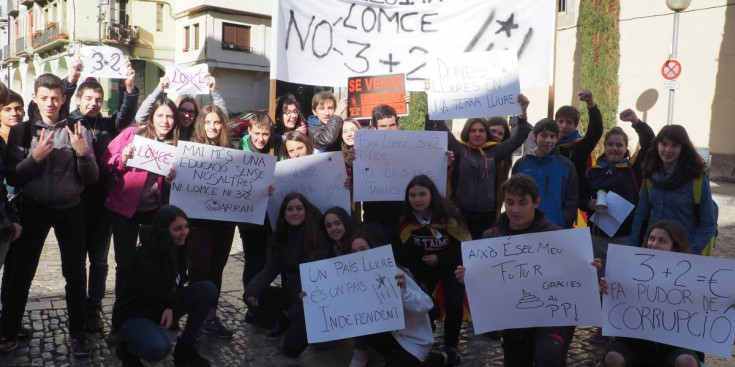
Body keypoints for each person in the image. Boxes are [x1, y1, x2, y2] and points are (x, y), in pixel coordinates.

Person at [0, 74, 98, 356]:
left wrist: (82, 155)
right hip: (34, 207)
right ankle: (8, 329)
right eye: (44, 97)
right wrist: (35, 159)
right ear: (35, 98)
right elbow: (12, 176)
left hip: (70, 209)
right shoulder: (22, 131)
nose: (50, 103)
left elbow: (92, 178)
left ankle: (78, 332)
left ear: (63, 99)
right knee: (22, 272)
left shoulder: (77, 129)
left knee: (76, 273)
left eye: (55, 98)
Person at [455, 174, 583, 367]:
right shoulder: (491, 238)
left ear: (536, 202)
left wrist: (588, 269)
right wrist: (470, 278)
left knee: (548, 356)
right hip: (514, 321)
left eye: (522, 203)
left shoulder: (556, 236)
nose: (515, 209)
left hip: (551, 318)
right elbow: (486, 283)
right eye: (510, 202)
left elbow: (576, 278)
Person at [67, 60, 139, 333]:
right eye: (88, 98)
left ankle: (94, 307)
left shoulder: (108, 125)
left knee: (99, 261)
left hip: (104, 204)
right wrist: (71, 79)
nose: (94, 103)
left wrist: (129, 89)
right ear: (79, 99)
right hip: (76, 204)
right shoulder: (69, 121)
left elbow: (125, 116)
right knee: (77, 262)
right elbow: (60, 107)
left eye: (98, 99)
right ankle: (77, 308)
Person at [112, 205, 217, 367]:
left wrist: (171, 307)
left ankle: (186, 348)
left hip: (161, 306)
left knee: (207, 289)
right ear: (164, 231)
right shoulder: (146, 257)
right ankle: (127, 348)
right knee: (159, 348)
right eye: (178, 229)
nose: (184, 232)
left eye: (186, 227)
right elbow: (160, 291)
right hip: (135, 314)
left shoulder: (179, 247)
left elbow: (177, 284)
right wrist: (171, 306)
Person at [583, 109, 655, 344]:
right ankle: (604, 327)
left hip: (625, 237)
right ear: (605, 145)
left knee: (624, 283)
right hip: (598, 236)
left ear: (626, 147)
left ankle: (624, 329)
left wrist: (636, 122)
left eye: (619, 145)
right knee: (602, 283)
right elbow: (582, 196)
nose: (615, 149)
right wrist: (589, 203)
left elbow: (649, 143)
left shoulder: (633, 168)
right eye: (611, 144)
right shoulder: (593, 171)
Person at [102, 98, 178, 301]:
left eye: (170, 116)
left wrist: (172, 182)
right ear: (152, 117)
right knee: (125, 264)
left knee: (156, 260)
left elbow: (180, 186)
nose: (165, 121)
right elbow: (106, 161)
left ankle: (152, 309)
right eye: (160, 115)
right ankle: (122, 314)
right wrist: (122, 159)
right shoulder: (132, 134)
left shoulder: (178, 145)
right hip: (125, 209)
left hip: (157, 210)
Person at [601, 220, 701, 367]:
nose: (653, 244)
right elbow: (611, 309)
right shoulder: (627, 269)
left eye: (662, 241)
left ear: (674, 247)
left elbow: (706, 305)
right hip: (633, 341)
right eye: (651, 238)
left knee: (687, 362)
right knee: (613, 359)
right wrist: (605, 292)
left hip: (674, 344)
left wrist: (727, 303)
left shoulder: (692, 276)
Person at [349, 231, 457, 367]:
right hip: (392, 334)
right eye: (353, 252)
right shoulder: (356, 280)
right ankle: (391, 355)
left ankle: (444, 357)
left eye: (363, 250)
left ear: (372, 250)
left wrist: (404, 292)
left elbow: (426, 303)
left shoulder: (393, 272)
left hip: (414, 338)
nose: (359, 255)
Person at [432, 95, 531, 239]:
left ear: (486, 133)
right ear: (467, 132)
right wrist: (433, 96)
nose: (477, 134)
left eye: (481, 131)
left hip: (487, 215)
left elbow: (518, 137)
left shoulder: (495, 151)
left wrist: (523, 112)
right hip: (460, 214)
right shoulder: (459, 150)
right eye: (473, 130)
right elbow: (441, 126)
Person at [244, 193, 330, 358]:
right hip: (293, 296)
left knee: (291, 349)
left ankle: (299, 324)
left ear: (306, 211)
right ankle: (286, 322)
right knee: (254, 295)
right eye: (290, 209)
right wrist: (252, 289)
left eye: (299, 208)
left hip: (314, 300)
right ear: (284, 213)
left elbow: (316, 286)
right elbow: (271, 267)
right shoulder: (284, 235)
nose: (294, 213)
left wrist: (290, 313)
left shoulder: (318, 238)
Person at [397, 175, 470, 364]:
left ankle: (451, 347)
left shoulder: (450, 215)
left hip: (450, 266)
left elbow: (463, 247)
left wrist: (440, 257)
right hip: (423, 269)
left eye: (422, 194)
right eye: (412, 195)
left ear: (432, 195)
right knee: (422, 303)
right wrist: (418, 279)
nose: (417, 199)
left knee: (454, 303)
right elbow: (408, 253)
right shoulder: (406, 220)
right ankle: (423, 344)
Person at [186, 104, 236, 339]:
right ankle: (193, 323)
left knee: (216, 271)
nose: (213, 127)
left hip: (224, 223)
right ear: (201, 125)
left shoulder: (231, 151)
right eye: (208, 123)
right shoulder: (191, 150)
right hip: (199, 223)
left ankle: (210, 319)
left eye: (217, 122)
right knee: (198, 271)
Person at [628, 125, 717, 255]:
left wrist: (690, 253)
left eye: (675, 145)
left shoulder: (696, 178)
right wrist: (634, 247)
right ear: (657, 145)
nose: (668, 150)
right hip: (652, 250)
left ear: (683, 148)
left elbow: (708, 223)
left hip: (682, 253)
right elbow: (640, 215)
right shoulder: (650, 175)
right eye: (664, 144)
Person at [513, 118, 579, 228]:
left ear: (557, 139)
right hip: (526, 228)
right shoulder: (521, 165)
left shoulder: (567, 166)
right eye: (544, 135)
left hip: (556, 227)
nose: (548, 140)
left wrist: (563, 221)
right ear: (535, 136)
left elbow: (572, 198)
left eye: (552, 136)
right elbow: (513, 195)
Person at [134, 75, 227, 141]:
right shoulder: (166, 128)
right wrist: (159, 89)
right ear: (175, 112)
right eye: (182, 110)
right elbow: (140, 118)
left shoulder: (199, 131)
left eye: (191, 112)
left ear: (196, 115)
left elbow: (224, 119)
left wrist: (214, 91)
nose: (187, 115)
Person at [554, 90, 603, 213]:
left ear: (575, 125)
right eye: (560, 121)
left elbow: (595, 131)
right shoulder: (548, 145)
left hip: (570, 205)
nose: (564, 126)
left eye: (569, 122)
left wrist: (590, 104)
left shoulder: (579, 146)